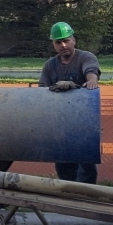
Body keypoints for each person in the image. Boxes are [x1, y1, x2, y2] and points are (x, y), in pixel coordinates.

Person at [38, 22, 102, 183]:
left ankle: (86, 195)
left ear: (74, 40)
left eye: (66, 40)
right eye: (58, 42)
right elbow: (41, 91)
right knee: (63, 165)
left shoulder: (85, 57)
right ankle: (67, 194)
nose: (63, 45)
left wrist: (91, 81)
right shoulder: (50, 65)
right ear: (54, 44)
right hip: (60, 123)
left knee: (86, 166)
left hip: (84, 122)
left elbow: (91, 70)